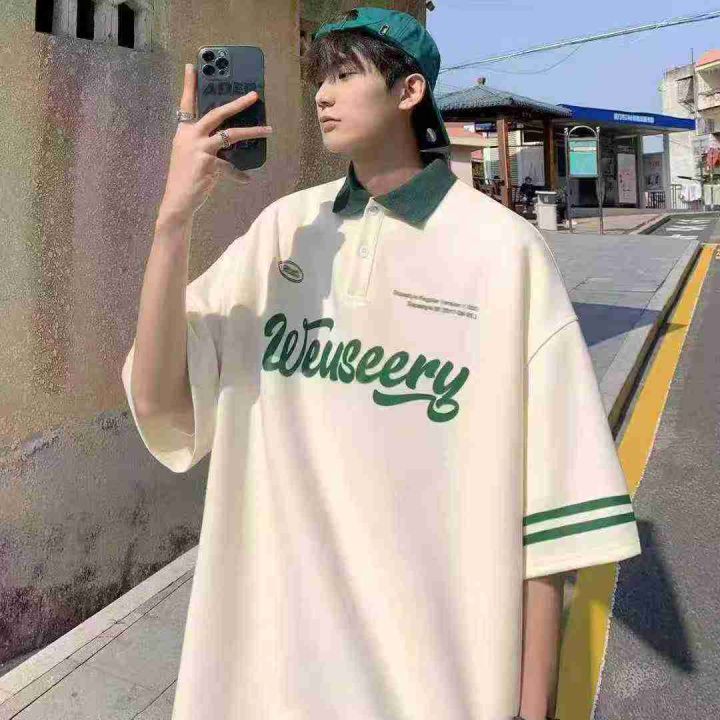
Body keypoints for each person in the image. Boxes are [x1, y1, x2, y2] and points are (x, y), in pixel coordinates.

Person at [121, 7, 642, 720]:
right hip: (263, 682)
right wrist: (172, 219)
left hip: (432, 688)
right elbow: (159, 397)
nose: (322, 95)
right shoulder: (284, 231)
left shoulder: (505, 253)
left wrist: (534, 707)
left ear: (409, 91)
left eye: (344, 75)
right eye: (320, 79)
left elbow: (549, 522)